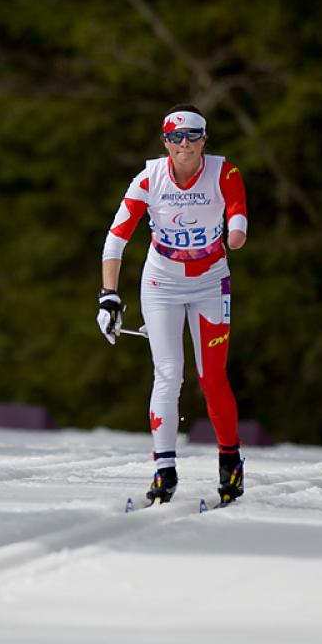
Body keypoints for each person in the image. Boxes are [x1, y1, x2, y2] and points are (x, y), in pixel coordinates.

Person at [97, 104, 247, 506]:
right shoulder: (150, 178)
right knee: (167, 373)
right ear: (165, 141)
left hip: (210, 283)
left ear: (204, 140)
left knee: (212, 377)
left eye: (193, 135)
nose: (185, 144)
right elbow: (116, 239)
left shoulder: (224, 172)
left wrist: (236, 231)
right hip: (161, 282)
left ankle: (230, 463)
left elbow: (237, 212)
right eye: (176, 137)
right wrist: (109, 296)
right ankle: (164, 471)